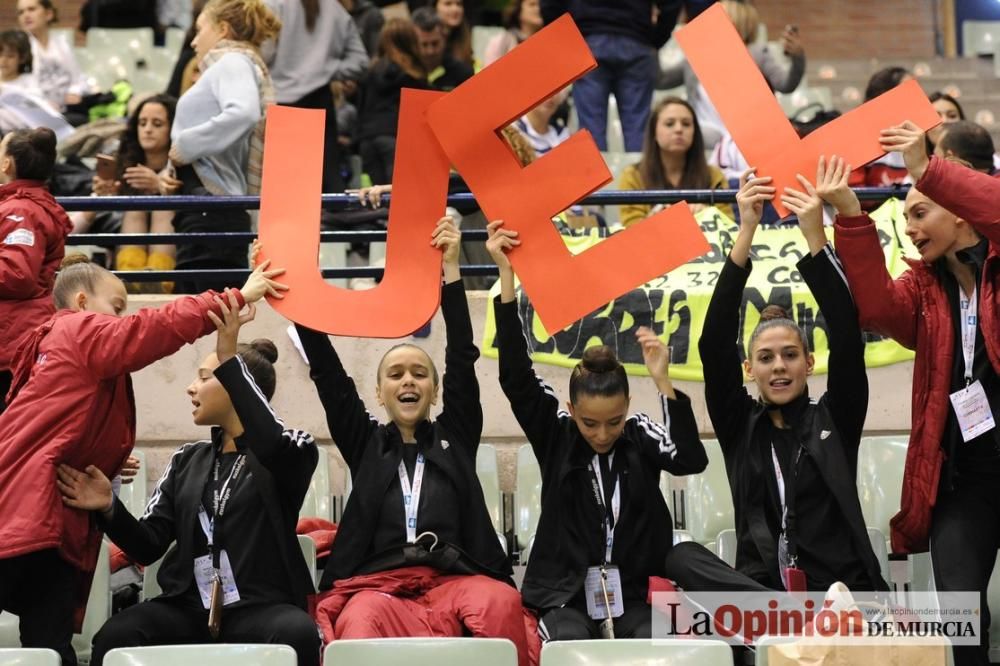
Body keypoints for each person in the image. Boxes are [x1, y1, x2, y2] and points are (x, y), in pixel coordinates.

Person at [0, 252, 287, 665]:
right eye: (116, 308)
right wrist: (234, 297)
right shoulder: (79, 331)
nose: (121, 319)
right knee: (50, 644)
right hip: (31, 515)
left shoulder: (56, 350)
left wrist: (109, 468)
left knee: (49, 646)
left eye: (205, 377)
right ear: (81, 303)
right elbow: (151, 328)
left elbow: (57, 429)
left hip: (47, 515)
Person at [299, 218, 535, 666]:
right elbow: (328, 376)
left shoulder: (457, 435)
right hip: (380, 586)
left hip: (454, 581)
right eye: (396, 374)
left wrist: (450, 269)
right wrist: (295, 297)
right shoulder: (365, 443)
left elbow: (462, 355)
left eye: (419, 374)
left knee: (498, 603)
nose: (408, 381)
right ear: (380, 392)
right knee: (359, 620)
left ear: (434, 390)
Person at [58, 292, 321, 666]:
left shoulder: (294, 448)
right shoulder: (188, 460)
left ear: (236, 387)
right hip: (186, 607)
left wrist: (229, 358)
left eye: (202, 377)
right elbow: (149, 546)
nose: (191, 388)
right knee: (117, 636)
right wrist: (109, 507)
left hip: (259, 606)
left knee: (298, 633)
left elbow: (270, 443)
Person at [487, 218, 711, 639]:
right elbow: (516, 378)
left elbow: (690, 460)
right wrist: (506, 278)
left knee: (651, 644)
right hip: (564, 591)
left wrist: (664, 384)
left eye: (613, 421)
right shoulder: (557, 434)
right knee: (571, 646)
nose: (603, 434)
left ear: (627, 407)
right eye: (589, 423)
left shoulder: (640, 433)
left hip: (635, 590)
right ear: (571, 409)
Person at [831, 123, 1000, 666]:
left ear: (957, 208)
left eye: (919, 212)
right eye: (903, 217)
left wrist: (928, 170)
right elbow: (876, 307)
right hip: (961, 479)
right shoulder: (924, 289)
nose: (909, 228)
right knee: (961, 612)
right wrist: (852, 216)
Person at [697, 166, 887, 593]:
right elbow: (713, 347)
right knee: (682, 559)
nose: (779, 366)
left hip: (839, 591)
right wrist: (746, 230)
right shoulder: (739, 425)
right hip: (763, 594)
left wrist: (815, 237)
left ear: (809, 363)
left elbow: (846, 332)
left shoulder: (836, 418)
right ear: (750, 370)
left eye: (789, 355)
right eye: (765, 358)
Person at [168, 0, 281, 294]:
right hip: (208, 208)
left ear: (222, 29)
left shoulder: (232, 61)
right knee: (204, 317)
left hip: (211, 210)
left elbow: (243, 113)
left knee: (208, 316)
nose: (193, 41)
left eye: (199, 30)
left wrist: (185, 146)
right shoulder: (234, 64)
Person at [661, 0, 805, 150]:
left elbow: (786, 85)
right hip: (704, 134)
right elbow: (662, 80)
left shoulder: (757, 53)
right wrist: (651, 44)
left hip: (748, 135)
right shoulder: (696, 56)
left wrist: (797, 57)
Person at [541, 0, 679, 152]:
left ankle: (594, 174)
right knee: (638, 131)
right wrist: (654, 39)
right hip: (636, 41)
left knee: (591, 131)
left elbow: (549, 5)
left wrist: (568, 40)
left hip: (588, 40)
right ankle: (639, 175)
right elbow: (671, 4)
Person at [0, 127, 71, 415]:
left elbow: (17, 274)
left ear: (7, 164)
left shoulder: (21, 211)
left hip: (11, 344)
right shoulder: (23, 207)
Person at [265, 0, 369, 195]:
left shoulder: (273, 4)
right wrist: (327, 70)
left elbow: (262, 54)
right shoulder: (335, 9)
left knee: (282, 188)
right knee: (325, 180)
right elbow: (360, 61)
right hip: (318, 100)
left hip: (279, 104)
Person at [104, 94, 184, 289]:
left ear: (172, 129)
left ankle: (158, 278)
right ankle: (130, 276)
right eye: (142, 123)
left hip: (177, 236)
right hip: (121, 233)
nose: (147, 130)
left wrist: (159, 185)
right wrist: (106, 192)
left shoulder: (182, 163)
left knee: (161, 208)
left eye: (157, 124)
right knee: (135, 207)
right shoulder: (124, 163)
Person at [618, 97, 732, 226]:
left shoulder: (714, 175)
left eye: (686, 124)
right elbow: (631, 229)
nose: (679, 129)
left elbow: (729, 224)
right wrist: (657, 217)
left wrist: (706, 213)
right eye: (669, 123)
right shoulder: (632, 175)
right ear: (654, 132)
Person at [356, 18, 428, 186]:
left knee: (378, 198)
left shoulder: (369, 72)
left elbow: (361, 108)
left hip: (367, 140)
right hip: (394, 138)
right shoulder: (413, 76)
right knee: (397, 194)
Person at [16, 0, 91, 120]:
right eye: (21, 12)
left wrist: (74, 92)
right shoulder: (19, 48)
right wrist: (43, 104)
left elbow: (78, 78)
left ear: (48, 14)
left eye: (31, 9)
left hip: (66, 109)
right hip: (34, 112)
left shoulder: (62, 44)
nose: (26, 15)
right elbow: (16, 87)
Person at [411, 7, 472, 92]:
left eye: (435, 43)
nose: (430, 51)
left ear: (444, 39)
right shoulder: (404, 73)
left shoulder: (463, 74)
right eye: (424, 44)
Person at [513, 90, 570, 158]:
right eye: (544, 87)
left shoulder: (564, 135)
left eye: (556, 90)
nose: (550, 95)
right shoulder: (512, 132)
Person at [484, 0, 542, 65]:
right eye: (532, 5)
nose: (538, 8)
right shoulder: (501, 41)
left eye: (540, 5)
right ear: (518, 10)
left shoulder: (547, 40)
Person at [431, 0, 473, 67]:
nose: (455, 9)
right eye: (448, 4)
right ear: (434, 8)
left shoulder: (467, 37)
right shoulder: (425, 38)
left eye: (459, 4)